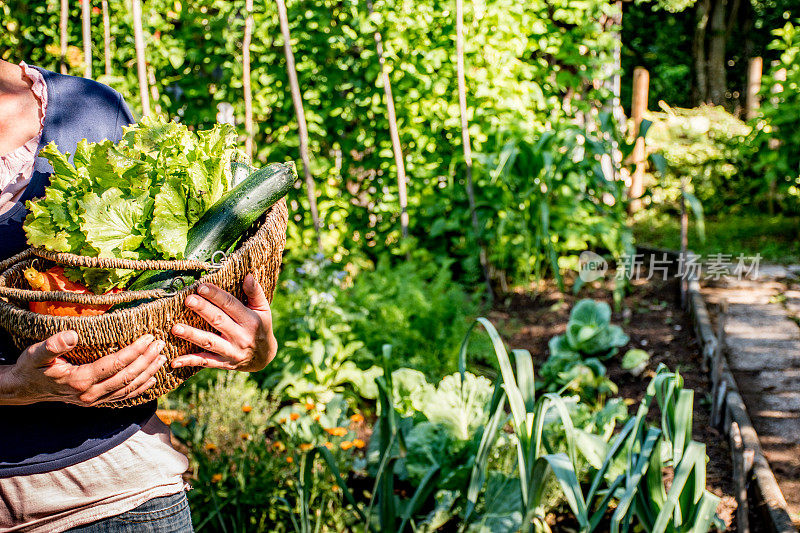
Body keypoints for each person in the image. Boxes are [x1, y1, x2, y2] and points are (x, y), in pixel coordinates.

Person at [0, 60, 278, 532]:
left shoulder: (89, 112)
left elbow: (168, 286)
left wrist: (253, 348)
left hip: (113, 493)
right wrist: (15, 387)